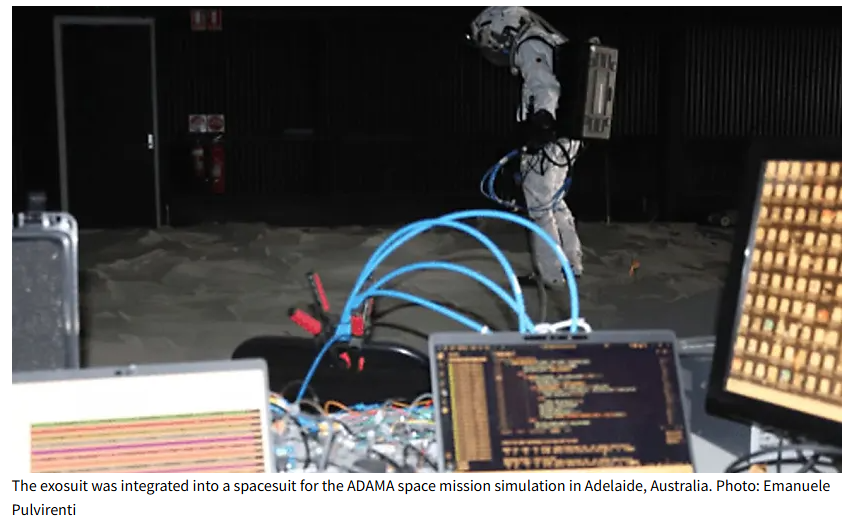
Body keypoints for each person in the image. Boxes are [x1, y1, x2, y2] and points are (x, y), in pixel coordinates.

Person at [469, 6, 585, 285]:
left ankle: (551, 275)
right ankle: (571, 264)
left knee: (540, 208)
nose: (494, 45)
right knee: (554, 201)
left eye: (491, 37)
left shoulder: (529, 43)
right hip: (566, 137)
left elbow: (545, 87)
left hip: (549, 140)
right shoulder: (548, 40)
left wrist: (541, 125)